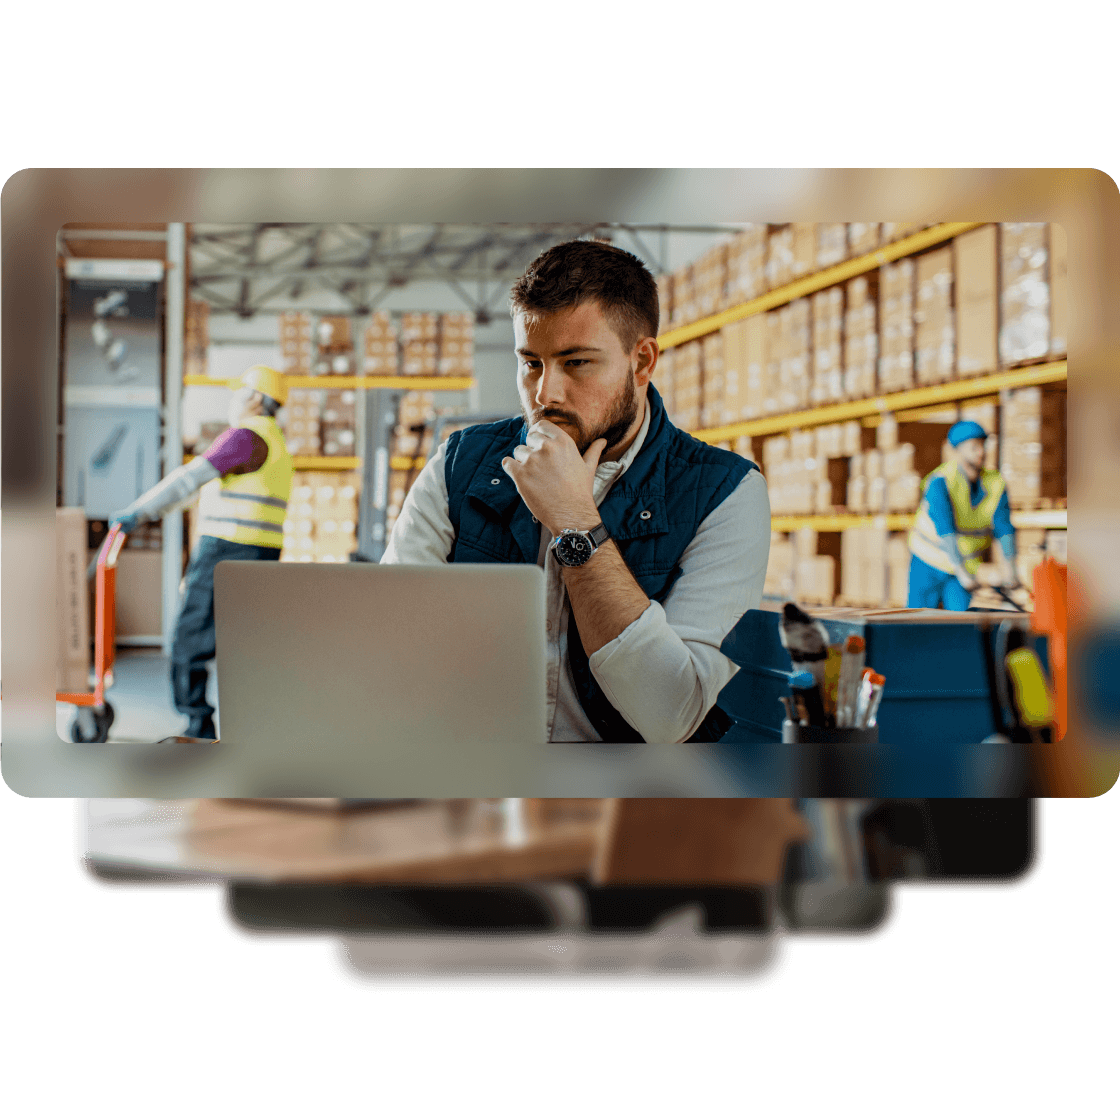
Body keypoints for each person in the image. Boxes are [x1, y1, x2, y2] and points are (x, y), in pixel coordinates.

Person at [383, 239, 772, 745]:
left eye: (577, 362)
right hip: (475, 776)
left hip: (627, 797)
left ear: (641, 361)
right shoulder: (460, 464)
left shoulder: (727, 493)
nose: (546, 393)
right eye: (531, 363)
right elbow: (389, 649)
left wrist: (574, 520)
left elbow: (668, 714)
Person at [111, 364, 293, 739]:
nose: (234, 400)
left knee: (189, 638)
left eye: (239, 392)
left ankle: (197, 723)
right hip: (263, 553)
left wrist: (138, 513)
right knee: (243, 644)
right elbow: (198, 491)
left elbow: (190, 478)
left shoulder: (245, 437)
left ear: (256, 399)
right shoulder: (276, 443)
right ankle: (252, 727)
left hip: (226, 550)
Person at [906, 419, 1021, 610]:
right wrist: (962, 573)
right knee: (916, 620)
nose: (981, 452)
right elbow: (946, 530)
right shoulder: (940, 482)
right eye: (974, 447)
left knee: (962, 622)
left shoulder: (995, 483)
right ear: (957, 450)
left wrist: (1011, 569)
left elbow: (1004, 528)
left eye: (983, 446)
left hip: (964, 566)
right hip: (928, 561)